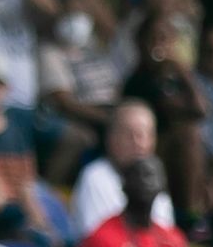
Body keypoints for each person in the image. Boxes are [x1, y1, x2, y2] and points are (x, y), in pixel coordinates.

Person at [69, 99, 174, 238]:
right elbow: (98, 240)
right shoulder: (95, 177)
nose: (139, 142)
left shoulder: (154, 185)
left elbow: (164, 245)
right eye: (130, 134)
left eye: (145, 134)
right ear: (111, 138)